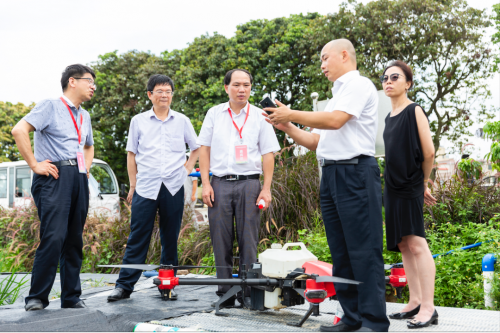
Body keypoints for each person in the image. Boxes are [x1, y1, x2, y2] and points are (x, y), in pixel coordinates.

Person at [263, 39, 390, 332]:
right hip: (332, 175)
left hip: (356, 173)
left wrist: (291, 113)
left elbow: (335, 122)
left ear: (344, 55)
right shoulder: (336, 96)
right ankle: (352, 317)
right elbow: (317, 141)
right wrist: (288, 126)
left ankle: (373, 321)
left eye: (324, 58)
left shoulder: (358, 86)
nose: (321, 66)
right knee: (341, 251)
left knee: (364, 250)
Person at [107, 74, 200, 302]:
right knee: (138, 236)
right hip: (146, 187)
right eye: (159, 91)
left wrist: (186, 169)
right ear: (150, 94)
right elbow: (132, 155)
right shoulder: (138, 121)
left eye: (168, 91)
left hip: (173, 186)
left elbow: (196, 148)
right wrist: (133, 184)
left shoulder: (182, 120)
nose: (164, 95)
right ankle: (124, 287)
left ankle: (167, 285)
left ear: (172, 95)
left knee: (170, 238)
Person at [11, 64, 96, 310]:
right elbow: (19, 130)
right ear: (72, 81)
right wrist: (35, 164)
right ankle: (37, 297)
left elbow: (88, 146)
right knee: (54, 236)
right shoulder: (50, 106)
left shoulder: (85, 115)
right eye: (89, 81)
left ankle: (71, 297)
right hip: (54, 176)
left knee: (74, 239)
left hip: (78, 177)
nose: (93, 87)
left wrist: (86, 168)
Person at [197, 69, 280, 307]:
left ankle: (247, 291)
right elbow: (204, 148)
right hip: (220, 183)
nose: (242, 89)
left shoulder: (259, 115)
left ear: (251, 88)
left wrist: (266, 188)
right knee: (220, 239)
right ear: (226, 88)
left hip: (250, 184)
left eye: (246, 85)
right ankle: (225, 292)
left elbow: (268, 153)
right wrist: (205, 183)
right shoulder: (214, 114)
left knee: (248, 240)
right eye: (236, 85)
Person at [380, 60, 438, 329]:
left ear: (408, 83)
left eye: (395, 77)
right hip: (391, 186)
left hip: (411, 183)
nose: (388, 81)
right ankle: (414, 300)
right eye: (385, 78)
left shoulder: (414, 110)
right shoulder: (388, 116)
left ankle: (428, 307)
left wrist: (423, 183)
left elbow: (428, 152)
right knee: (403, 243)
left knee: (416, 243)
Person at [183, 155, 198, 227]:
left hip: (190, 196)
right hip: (185, 196)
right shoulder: (183, 170)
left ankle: (196, 228)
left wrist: (193, 195)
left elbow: (195, 182)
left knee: (191, 212)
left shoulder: (192, 170)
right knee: (185, 213)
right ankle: (187, 229)